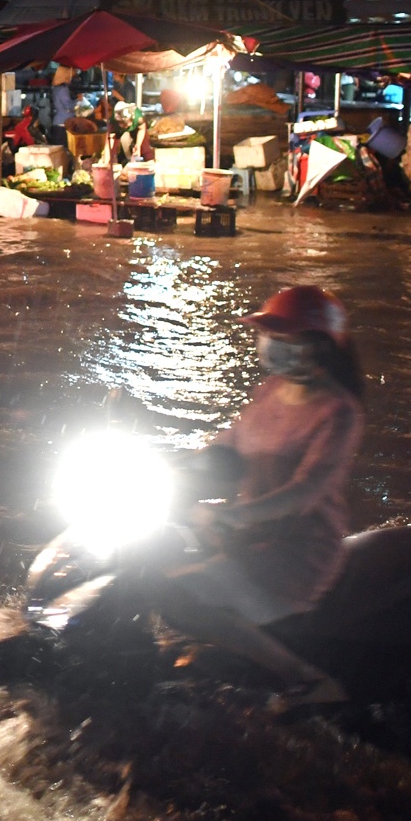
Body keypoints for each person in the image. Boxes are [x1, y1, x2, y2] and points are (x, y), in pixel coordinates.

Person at [157, 285, 366, 709]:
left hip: (296, 550)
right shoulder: (271, 389)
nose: (272, 346)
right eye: (270, 336)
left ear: (319, 348)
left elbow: (306, 492)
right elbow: (230, 447)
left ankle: (307, 680)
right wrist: (174, 469)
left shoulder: (339, 413)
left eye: (286, 339)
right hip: (246, 535)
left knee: (175, 593)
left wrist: (235, 517)